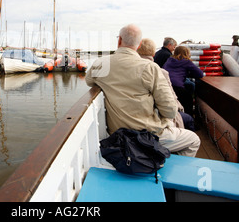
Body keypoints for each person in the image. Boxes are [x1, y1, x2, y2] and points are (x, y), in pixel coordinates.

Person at [86, 24, 200, 157]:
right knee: (193, 140)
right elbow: (170, 110)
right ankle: (167, 170)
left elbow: (89, 81)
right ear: (139, 45)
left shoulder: (101, 64)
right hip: (147, 136)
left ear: (119, 41)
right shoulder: (151, 68)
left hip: (117, 134)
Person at [137, 38, 195, 131]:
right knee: (188, 118)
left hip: (137, 119)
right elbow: (170, 104)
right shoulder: (162, 70)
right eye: (173, 46)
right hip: (156, 120)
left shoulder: (132, 71)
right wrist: (179, 109)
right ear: (153, 54)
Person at [163, 46, 204, 116]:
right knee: (188, 101)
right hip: (177, 87)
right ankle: (188, 119)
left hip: (165, 86)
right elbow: (200, 74)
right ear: (187, 53)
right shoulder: (186, 62)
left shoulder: (169, 60)